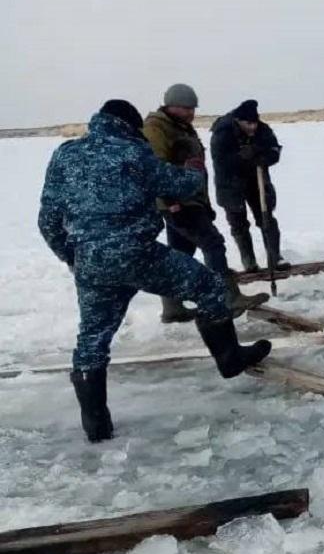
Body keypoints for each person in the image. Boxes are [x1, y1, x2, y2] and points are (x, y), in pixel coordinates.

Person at [38, 100, 272, 443]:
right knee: (207, 285)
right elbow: (178, 186)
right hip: (138, 255)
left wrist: (71, 256)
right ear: (128, 126)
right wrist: (195, 167)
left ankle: (96, 424)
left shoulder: (65, 155)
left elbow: (47, 220)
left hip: (91, 262)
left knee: (92, 339)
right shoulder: (132, 152)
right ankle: (230, 359)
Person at [143, 84, 268, 322]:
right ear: (170, 105)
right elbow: (154, 167)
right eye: (185, 108)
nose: (191, 113)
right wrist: (169, 200)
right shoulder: (157, 128)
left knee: (181, 253)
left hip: (190, 199)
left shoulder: (180, 126)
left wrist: (204, 203)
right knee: (213, 244)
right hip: (178, 201)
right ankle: (226, 297)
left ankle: (172, 307)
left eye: (192, 108)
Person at [210, 99, 290, 273]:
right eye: (248, 123)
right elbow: (222, 161)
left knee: (266, 218)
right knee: (238, 223)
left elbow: (274, 149)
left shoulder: (263, 129)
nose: (253, 127)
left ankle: (275, 257)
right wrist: (242, 157)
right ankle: (249, 261)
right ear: (238, 120)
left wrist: (263, 157)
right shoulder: (223, 132)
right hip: (230, 184)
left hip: (257, 181)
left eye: (254, 123)